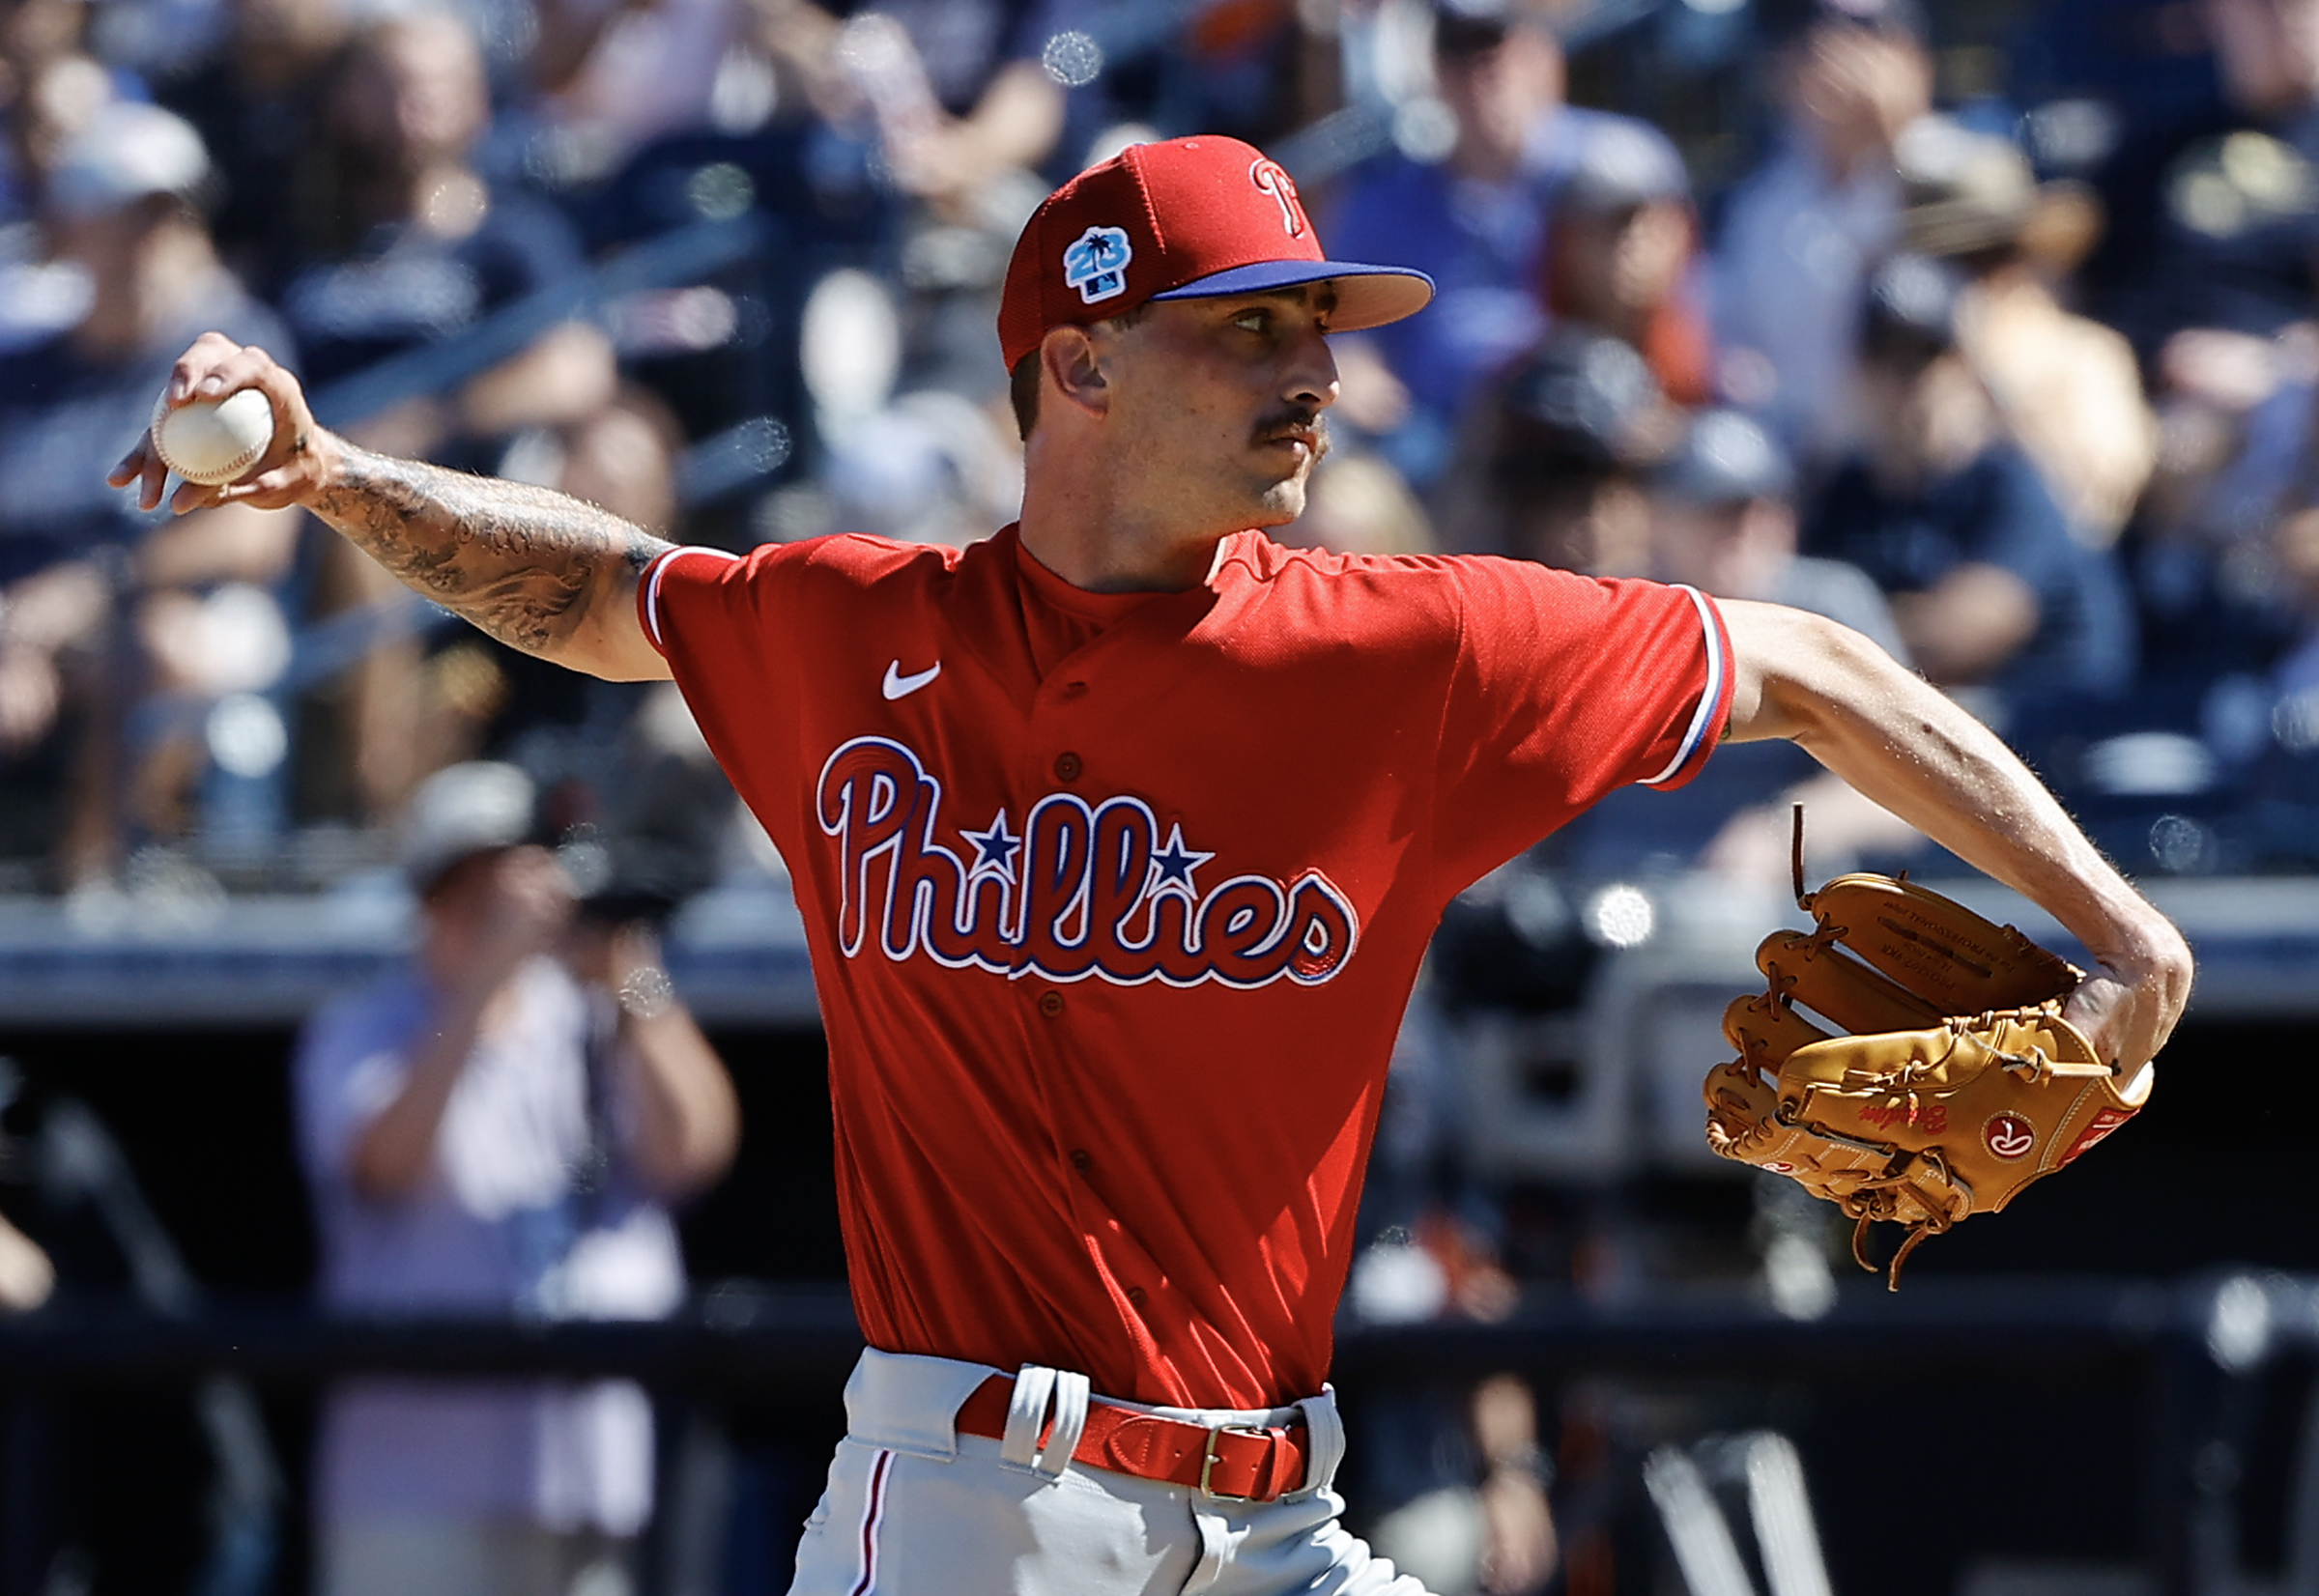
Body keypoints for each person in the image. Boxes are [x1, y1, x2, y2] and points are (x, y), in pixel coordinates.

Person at [125, 131, 2192, 1596]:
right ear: (1079, 362)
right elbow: (604, 593)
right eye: (1249, 327)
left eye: (1318, 321)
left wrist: (2118, 932)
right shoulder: (853, 632)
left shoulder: (1407, 650)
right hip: (969, 1516)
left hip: (1277, 1523)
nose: (1314, 364)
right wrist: (333, 476)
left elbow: (1814, 666)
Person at [292, 760, 739, 1596]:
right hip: (417, 1493)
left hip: (593, 1478)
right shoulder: (365, 1026)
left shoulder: (596, 1012)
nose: (513, 908)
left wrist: (631, 974)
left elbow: (697, 1146)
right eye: (481, 888)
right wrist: (484, 981)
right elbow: (384, 1161)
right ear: (433, 898)